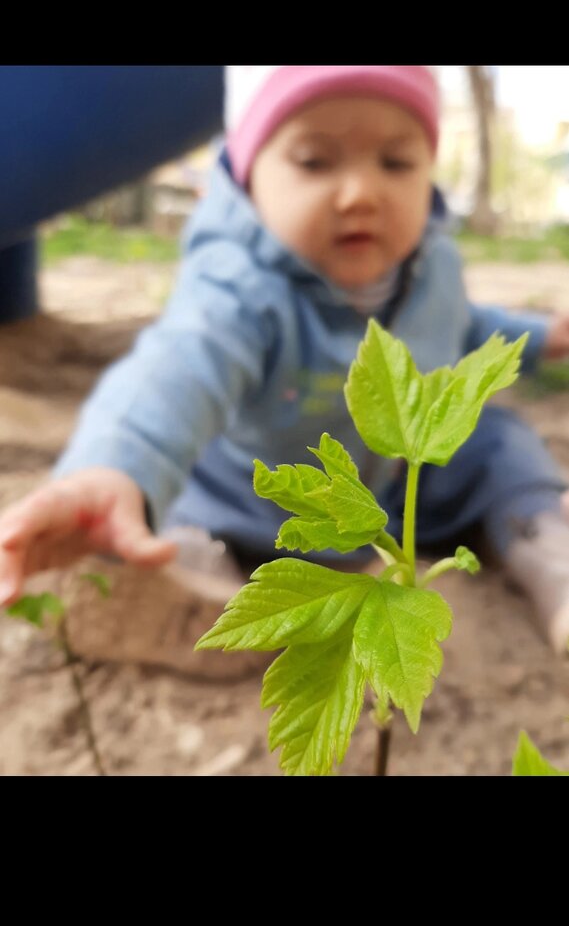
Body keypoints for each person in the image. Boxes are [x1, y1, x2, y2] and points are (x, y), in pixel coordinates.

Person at [2, 65, 569, 668]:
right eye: (314, 163)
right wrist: (113, 463)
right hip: (259, 499)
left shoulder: (432, 265)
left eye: (396, 163)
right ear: (249, 178)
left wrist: (542, 338)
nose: (360, 193)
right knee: (190, 497)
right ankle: (191, 577)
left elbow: (465, 326)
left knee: (501, 441)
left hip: (401, 491)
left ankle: (548, 548)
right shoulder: (241, 287)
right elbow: (181, 362)